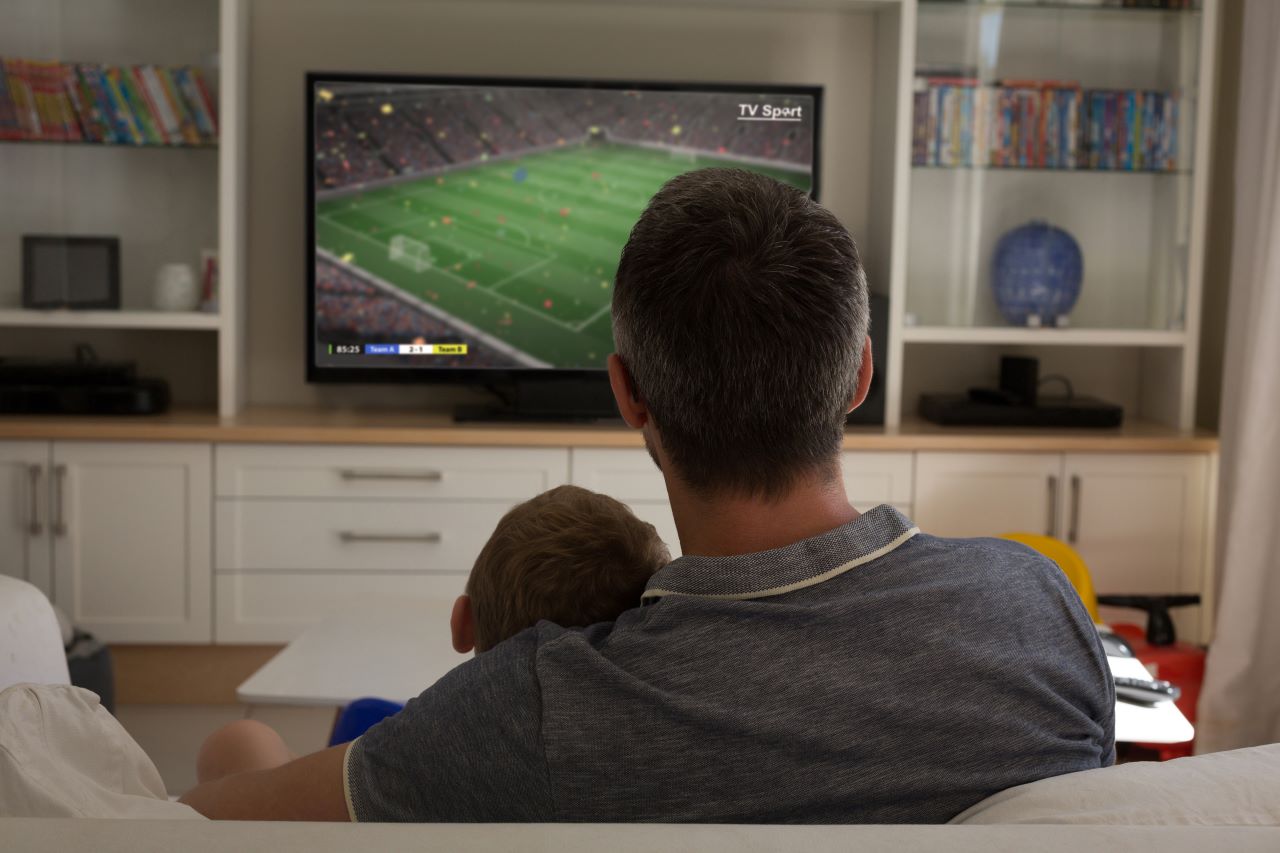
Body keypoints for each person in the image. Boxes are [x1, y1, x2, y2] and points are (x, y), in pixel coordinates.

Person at [180, 168, 1114, 823]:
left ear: (627, 393)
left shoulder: (535, 707)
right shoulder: (1038, 609)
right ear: (860, 374)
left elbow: (190, 822)